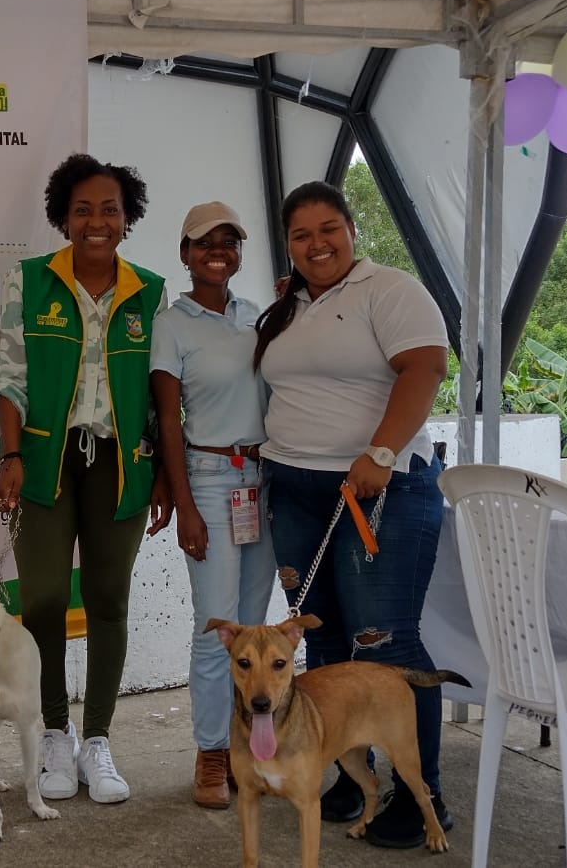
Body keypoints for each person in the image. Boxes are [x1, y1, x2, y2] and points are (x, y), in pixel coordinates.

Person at [253, 180, 452, 848]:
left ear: (352, 229)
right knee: (329, 647)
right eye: (302, 234)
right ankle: (347, 777)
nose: (318, 243)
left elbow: (424, 366)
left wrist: (382, 449)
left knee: (382, 646)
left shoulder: (389, 290)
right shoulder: (287, 306)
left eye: (329, 228)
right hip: (296, 491)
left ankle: (420, 796)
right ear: (288, 244)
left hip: (376, 491)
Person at [0, 152, 172, 805]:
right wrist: (10, 455)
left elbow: (159, 392)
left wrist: (164, 475)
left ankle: (97, 739)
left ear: (128, 218)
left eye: (110, 209)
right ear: (63, 218)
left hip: (123, 465)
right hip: (45, 459)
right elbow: (9, 376)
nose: (97, 221)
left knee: (108, 600)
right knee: (40, 600)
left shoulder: (149, 290)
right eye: (83, 209)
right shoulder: (31, 279)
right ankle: (54, 736)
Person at [150, 201, 277, 810]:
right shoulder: (172, 324)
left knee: (253, 631)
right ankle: (210, 755)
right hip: (208, 477)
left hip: (264, 479)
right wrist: (185, 505)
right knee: (217, 630)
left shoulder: (257, 316)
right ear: (185, 254)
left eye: (230, 242)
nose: (218, 251)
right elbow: (168, 422)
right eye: (205, 243)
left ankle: (246, 750)